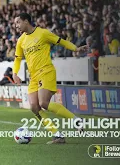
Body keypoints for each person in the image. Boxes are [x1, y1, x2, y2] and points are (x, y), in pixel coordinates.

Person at [13, 13, 88, 144]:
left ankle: (76, 120)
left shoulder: (42, 33)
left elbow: (61, 41)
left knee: (43, 103)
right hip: (33, 77)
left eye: (18, 22)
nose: (16, 26)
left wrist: (75, 48)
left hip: (46, 71)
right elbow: (18, 59)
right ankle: (57, 135)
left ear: (26, 21)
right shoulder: (21, 41)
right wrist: (15, 73)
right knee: (34, 107)